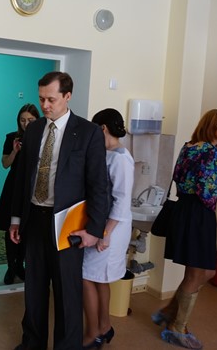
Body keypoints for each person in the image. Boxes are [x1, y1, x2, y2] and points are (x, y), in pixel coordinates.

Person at [10, 71, 109, 350]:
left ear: (67, 96)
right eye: (41, 98)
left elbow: (99, 185)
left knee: (67, 292)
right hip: (34, 218)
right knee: (34, 289)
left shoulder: (88, 132)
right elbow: (22, 178)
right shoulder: (33, 130)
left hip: (68, 224)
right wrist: (16, 218)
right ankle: (32, 343)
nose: (44, 105)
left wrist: (94, 230)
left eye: (51, 99)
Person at [152, 109, 217, 349]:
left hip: (183, 211)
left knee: (199, 271)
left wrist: (211, 183)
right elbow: (206, 192)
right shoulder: (210, 151)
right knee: (200, 273)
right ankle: (177, 328)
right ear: (210, 125)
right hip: (199, 214)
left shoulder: (188, 146)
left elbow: (181, 178)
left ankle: (169, 311)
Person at [82, 108, 135, 349]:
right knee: (99, 279)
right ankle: (104, 326)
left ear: (102, 128)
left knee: (86, 277)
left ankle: (92, 332)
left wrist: (105, 234)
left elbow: (122, 199)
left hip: (111, 228)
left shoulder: (121, 158)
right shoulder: (106, 153)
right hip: (101, 224)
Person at [0, 103, 40, 285]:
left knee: (27, 228)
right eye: (22, 120)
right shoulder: (11, 137)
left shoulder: (42, 138)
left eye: (30, 120)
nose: (26, 124)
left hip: (32, 187)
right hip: (13, 186)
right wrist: (14, 150)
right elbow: (5, 164)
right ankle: (11, 266)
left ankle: (21, 264)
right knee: (10, 227)